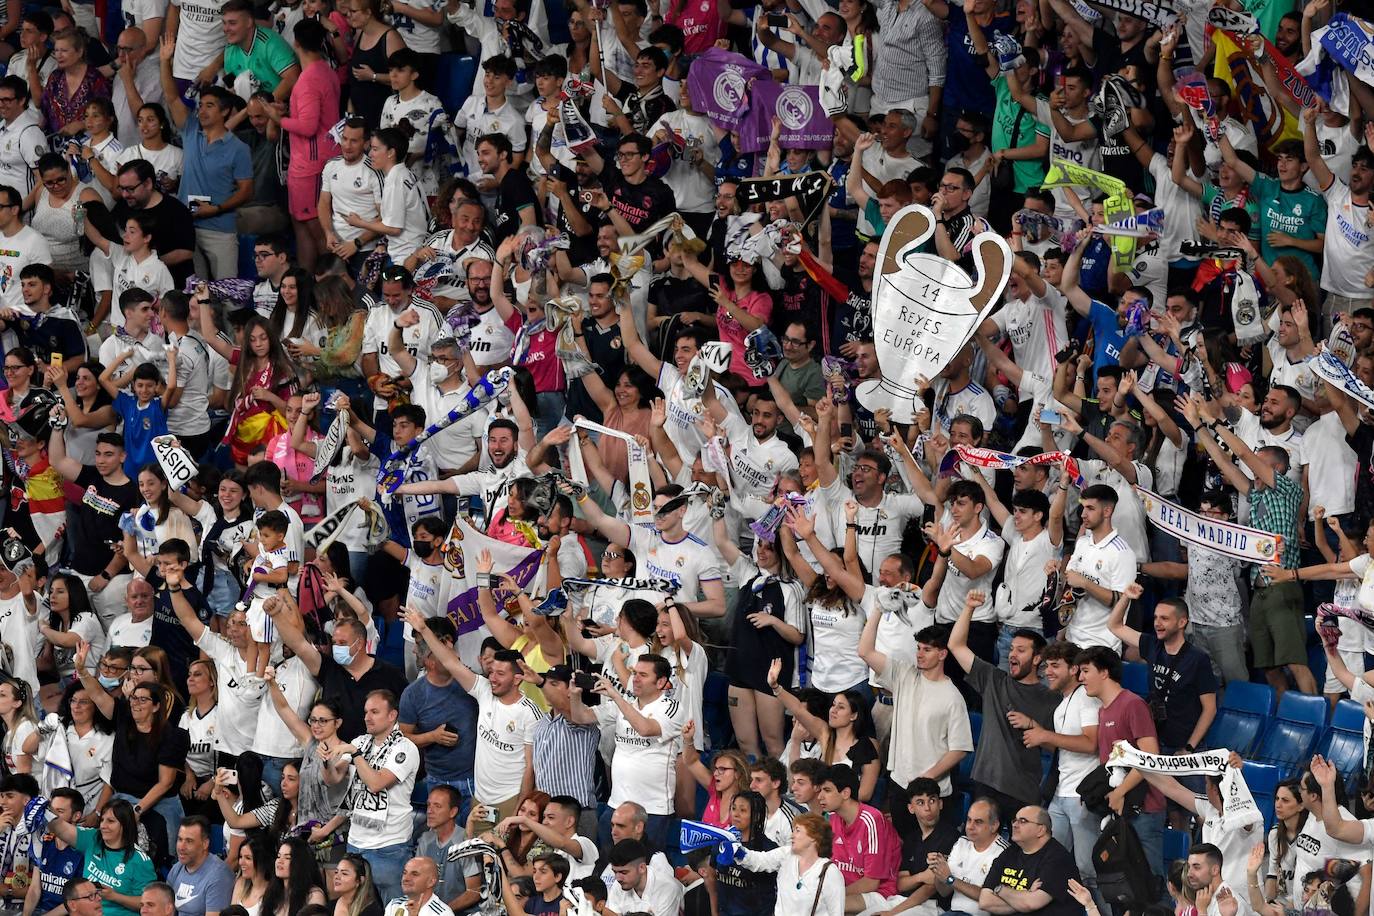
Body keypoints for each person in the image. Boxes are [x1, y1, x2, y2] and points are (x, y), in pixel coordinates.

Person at [948, 590, 1058, 825]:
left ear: (1037, 658)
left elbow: (1056, 747)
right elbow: (955, 645)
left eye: (1021, 650)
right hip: (985, 782)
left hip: (1023, 790)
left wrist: (1034, 726)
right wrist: (968, 608)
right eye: (1011, 649)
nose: (1012, 654)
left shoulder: (1051, 699)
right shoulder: (994, 679)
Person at [157, 45, 254, 280]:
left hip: (220, 228)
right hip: (188, 227)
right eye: (201, 105)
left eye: (209, 106)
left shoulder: (238, 148)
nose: (201, 110)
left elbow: (246, 191)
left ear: (225, 112)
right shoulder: (191, 131)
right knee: (196, 297)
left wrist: (217, 208)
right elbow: (171, 96)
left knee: (228, 294)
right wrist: (164, 61)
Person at [321, 690, 418, 904]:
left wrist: (356, 755)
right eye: (366, 712)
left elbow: (376, 783)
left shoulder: (405, 748)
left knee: (393, 908)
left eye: (375, 712)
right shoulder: (360, 742)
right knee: (353, 906)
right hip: (356, 843)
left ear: (392, 715)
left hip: (390, 846)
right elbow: (334, 778)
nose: (367, 717)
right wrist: (326, 761)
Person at [45, 799, 156, 916]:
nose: (103, 826)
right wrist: (43, 807)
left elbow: (148, 904)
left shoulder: (140, 860)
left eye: (110, 821)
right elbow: (59, 828)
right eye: (102, 820)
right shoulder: (93, 838)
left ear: (125, 824)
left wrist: (115, 896)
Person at [977, 807, 1082, 916]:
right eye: (1014, 820)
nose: (1014, 825)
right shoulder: (1010, 852)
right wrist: (1026, 894)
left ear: (1040, 830)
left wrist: (1000, 890)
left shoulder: (1058, 858)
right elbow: (985, 902)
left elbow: (1031, 903)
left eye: (1023, 821)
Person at [166, 818, 235, 916]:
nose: (181, 847)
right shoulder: (177, 868)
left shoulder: (219, 876)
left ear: (205, 844)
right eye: (180, 839)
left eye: (189, 841)